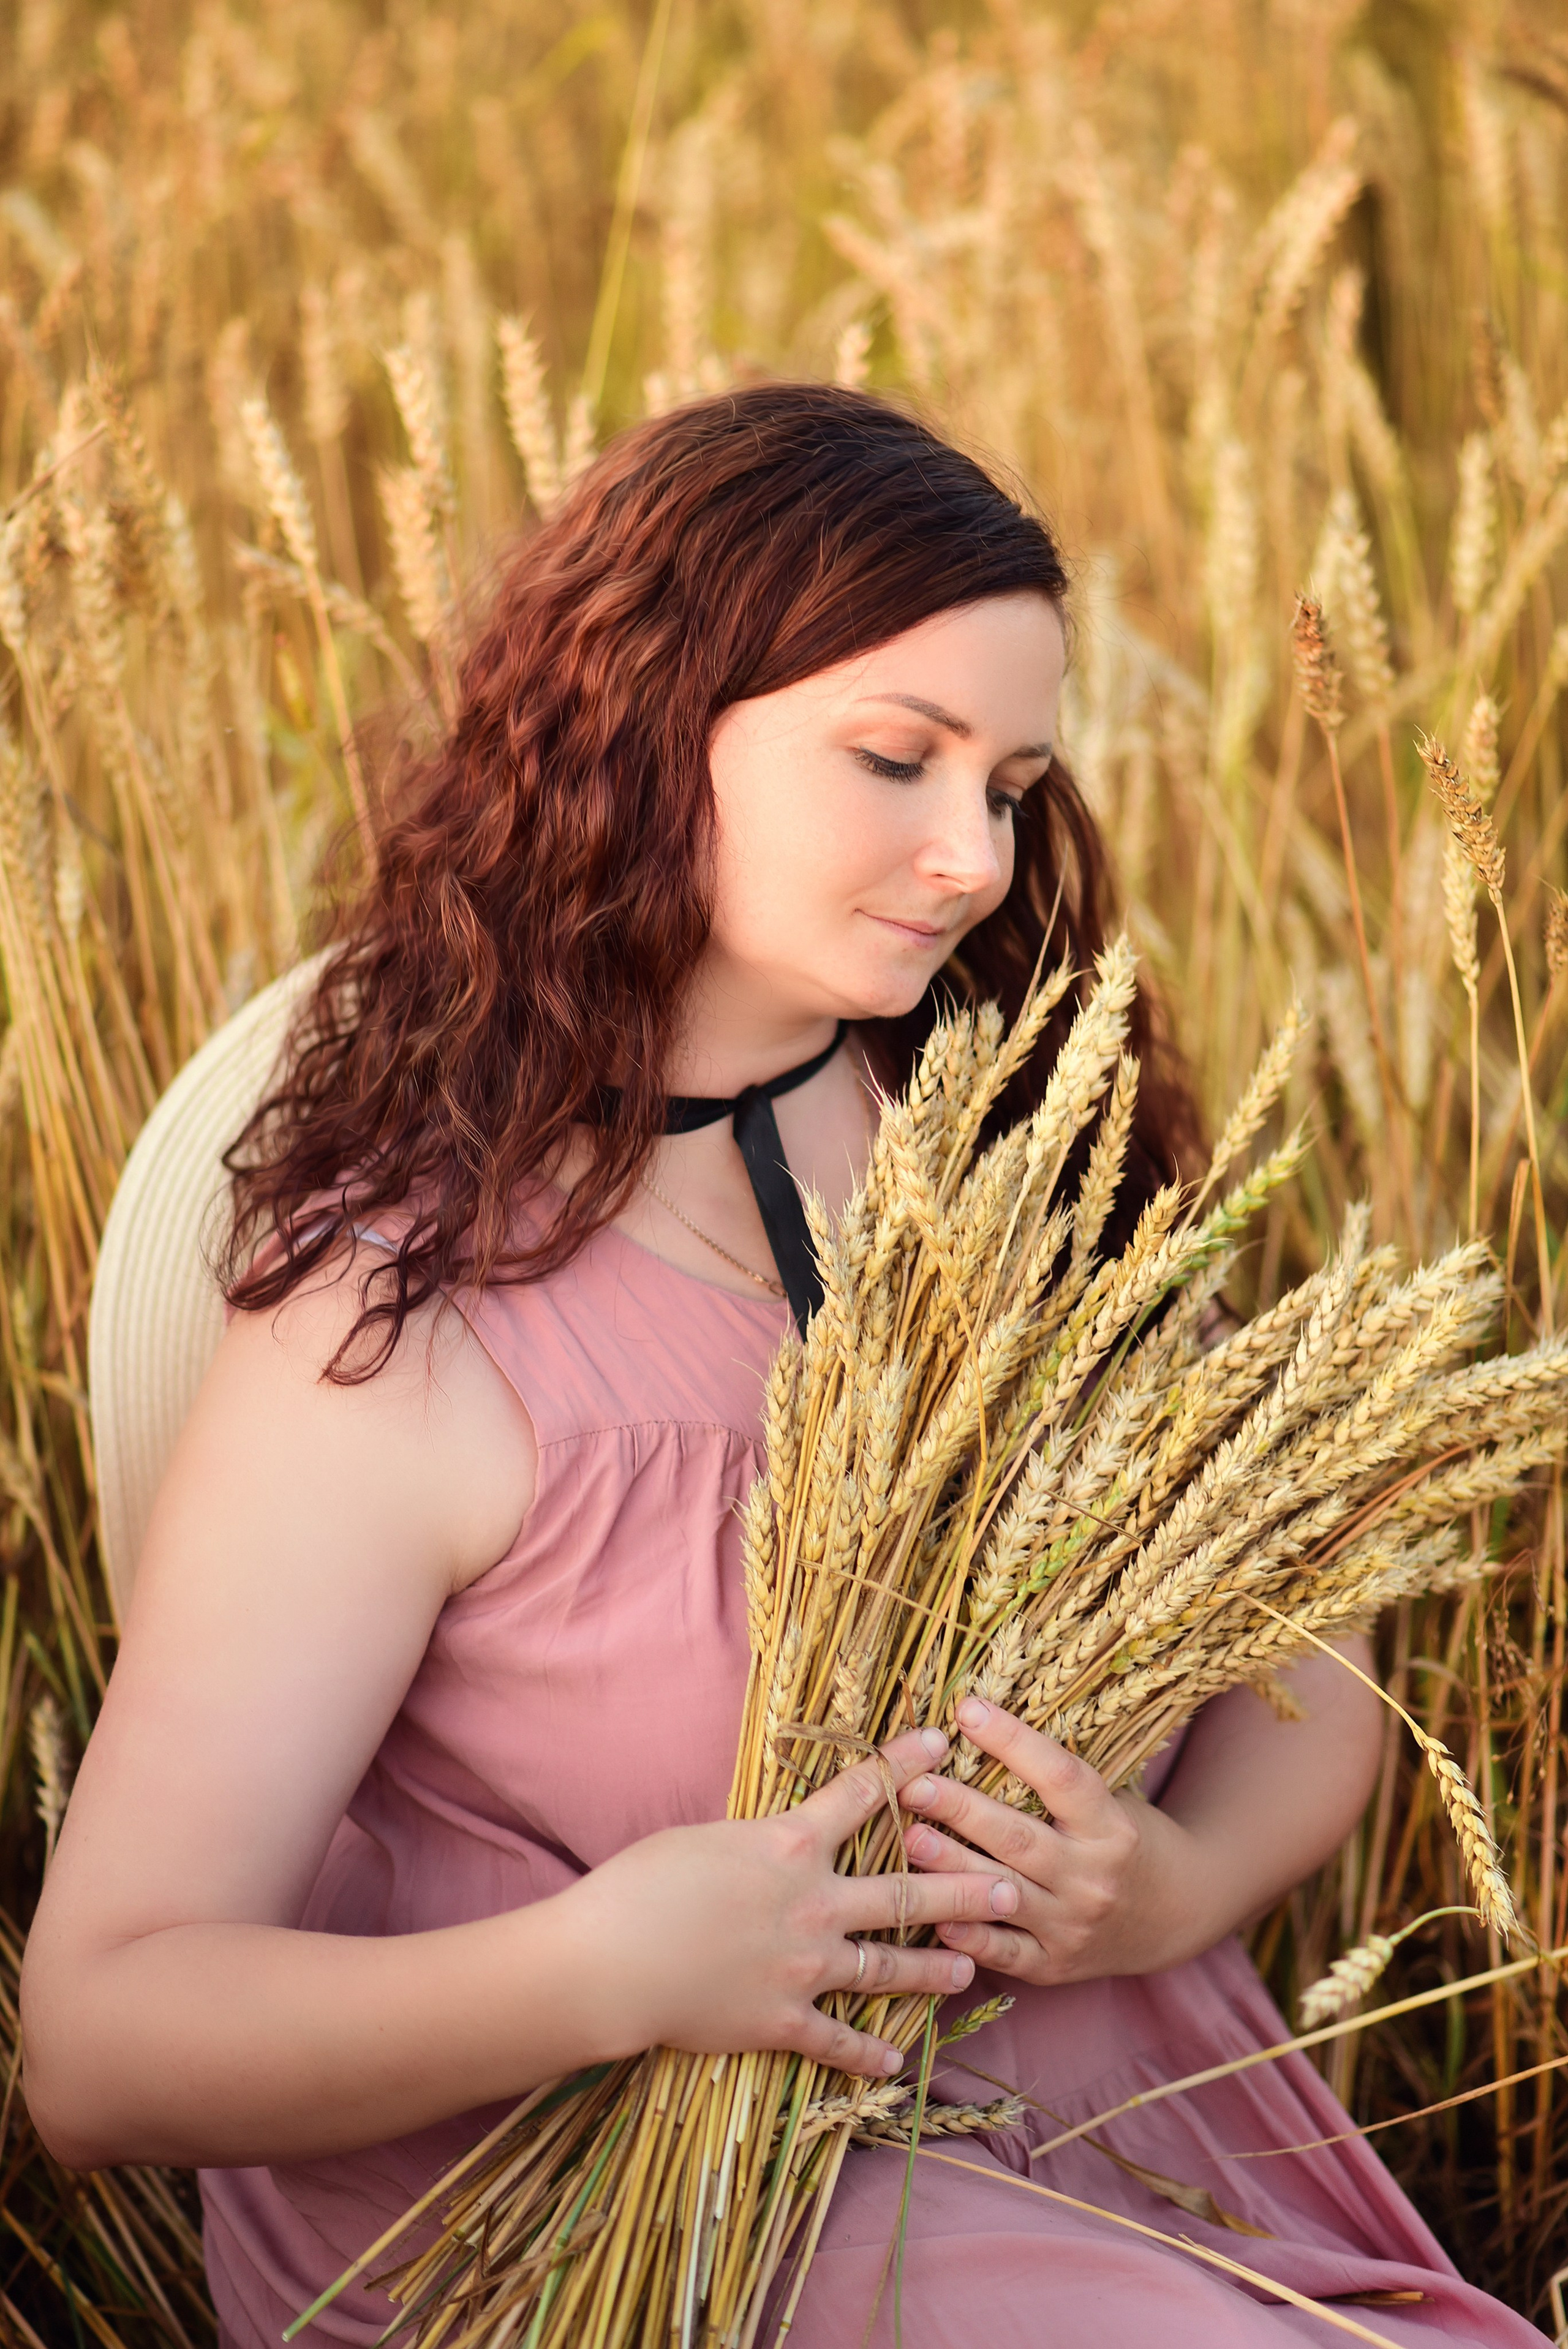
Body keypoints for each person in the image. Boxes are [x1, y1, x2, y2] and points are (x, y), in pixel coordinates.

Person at [21, 385, 1540, 2347]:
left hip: (1104, 2116)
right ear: (656, 721)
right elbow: (102, 2037)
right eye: (896, 760)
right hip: (594, 2210)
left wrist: (1168, 1886)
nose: (974, 854)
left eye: (1006, 786)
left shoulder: (996, 1133)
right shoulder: (403, 1321)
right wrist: (612, 1964)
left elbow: (1300, 1632)